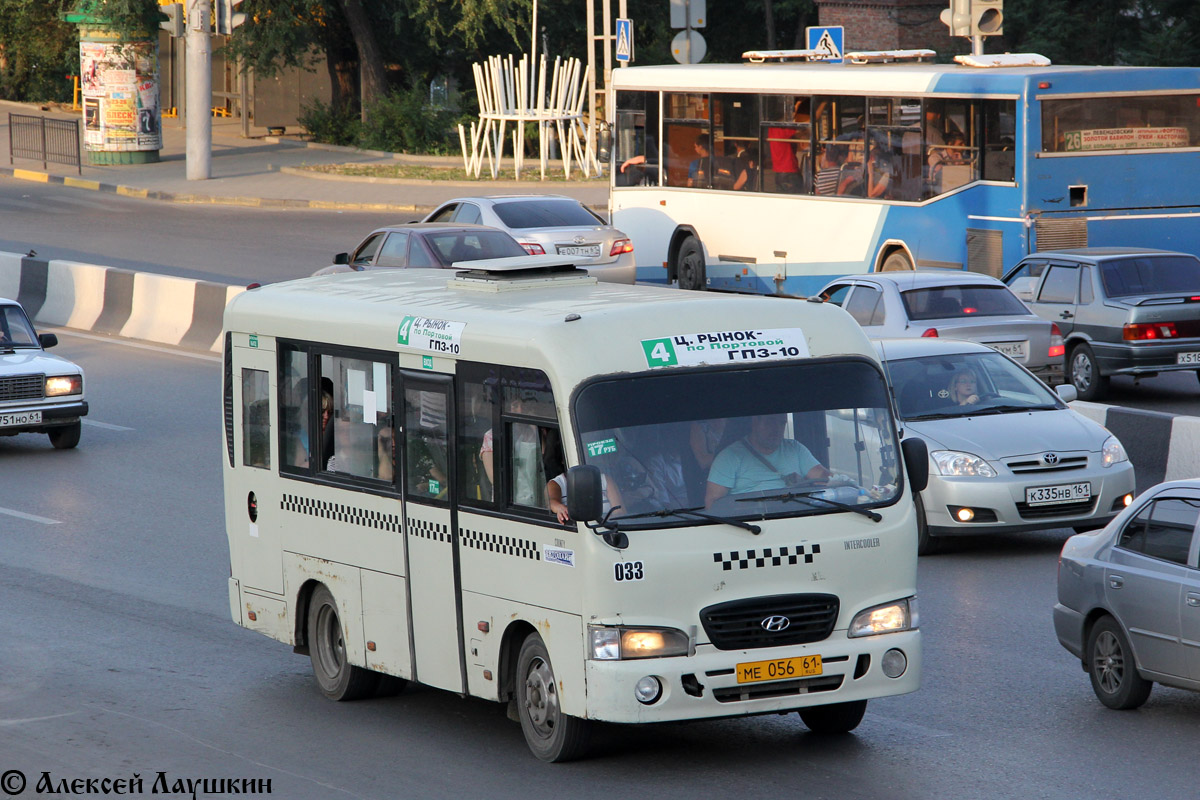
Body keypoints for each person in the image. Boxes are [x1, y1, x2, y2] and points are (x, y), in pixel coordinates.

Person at [705, 414, 830, 507]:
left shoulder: (795, 449)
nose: (776, 429)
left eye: (781, 423)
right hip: (751, 525)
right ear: (755, 422)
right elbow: (713, 503)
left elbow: (823, 478)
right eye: (770, 422)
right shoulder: (729, 457)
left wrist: (834, 481)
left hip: (796, 516)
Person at [548, 470, 624, 524]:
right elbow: (551, 502)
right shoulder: (557, 483)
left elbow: (620, 511)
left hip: (607, 528)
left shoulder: (604, 479)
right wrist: (559, 508)